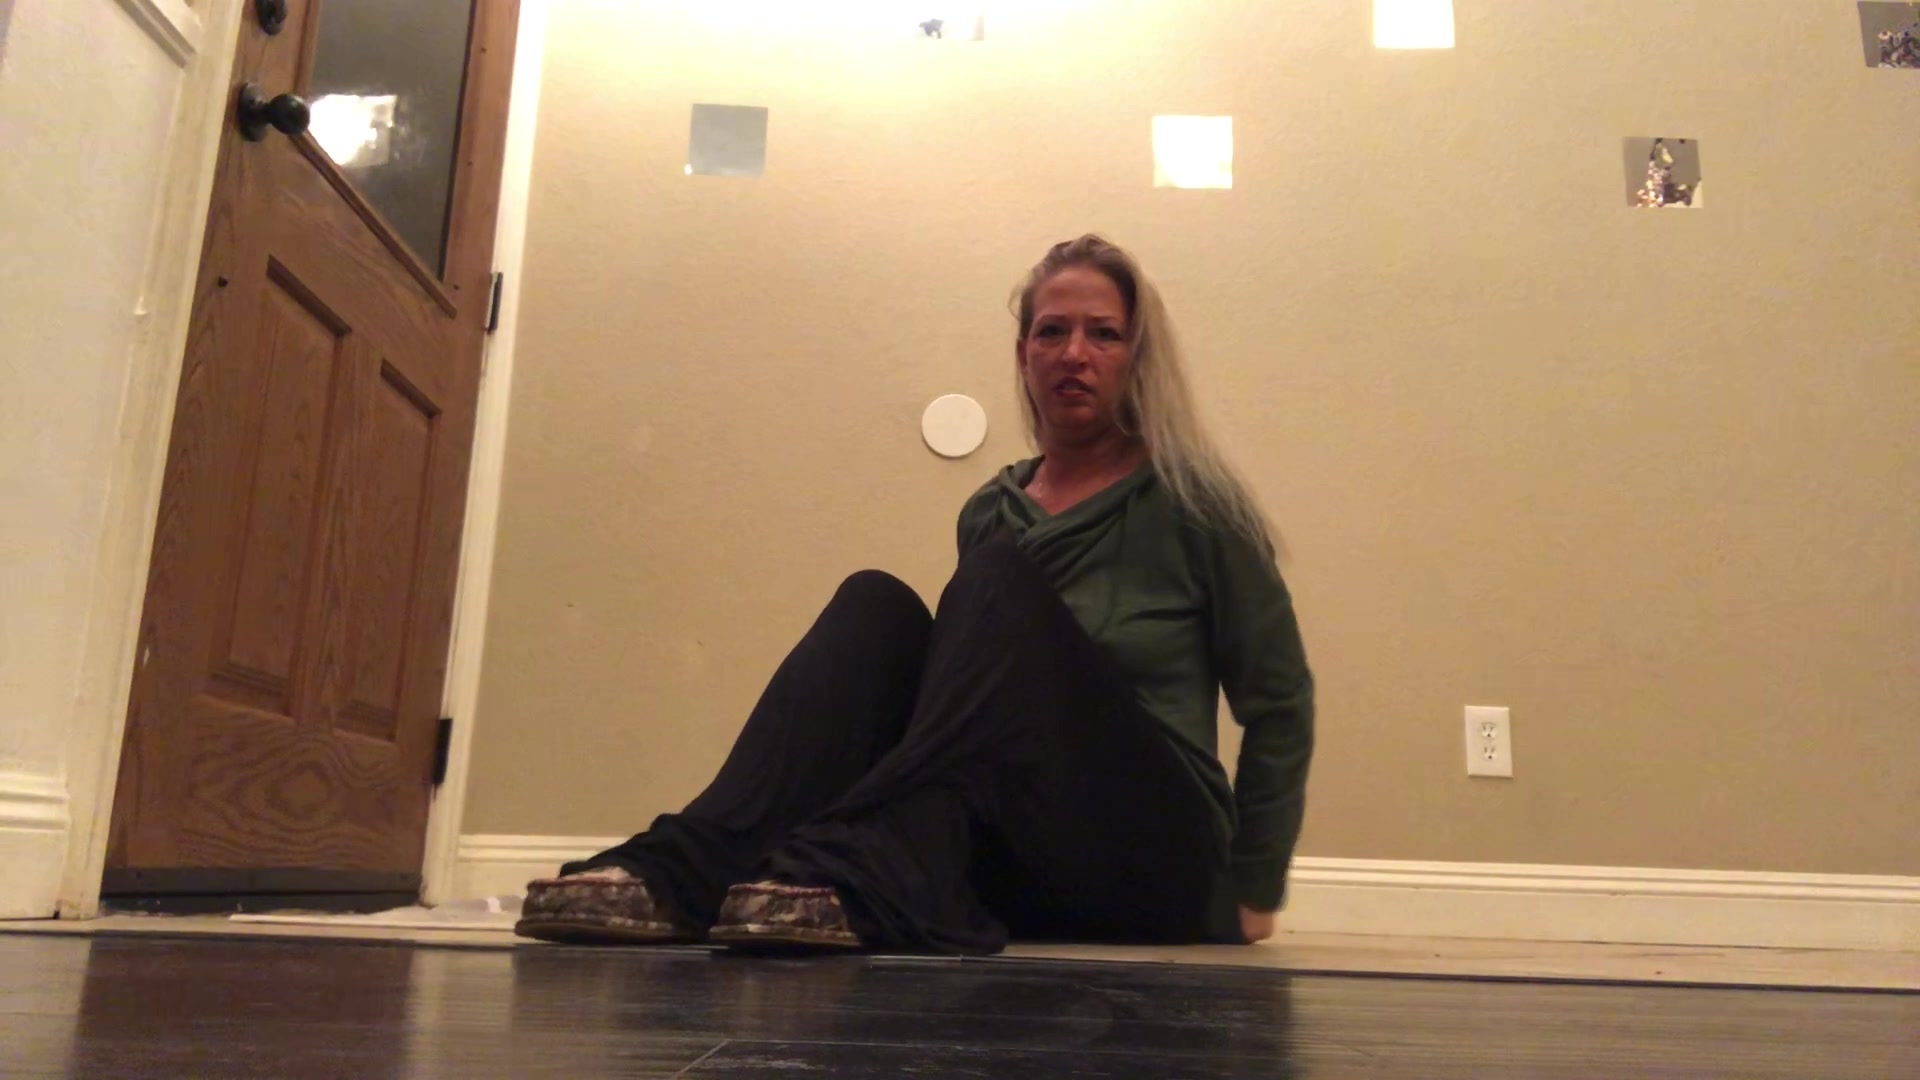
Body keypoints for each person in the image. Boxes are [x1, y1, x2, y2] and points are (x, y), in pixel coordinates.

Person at [515, 235, 1314, 954]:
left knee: (994, 578)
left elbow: (1278, 703)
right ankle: (685, 870)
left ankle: (856, 866)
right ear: (1023, 354)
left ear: (1138, 356)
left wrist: (1255, 886)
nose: (1075, 352)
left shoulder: (1195, 505)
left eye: (1104, 333)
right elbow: (970, 727)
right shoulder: (990, 511)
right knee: (876, 606)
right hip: (1031, 858)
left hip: (1158, 853)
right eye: (1052, 332)